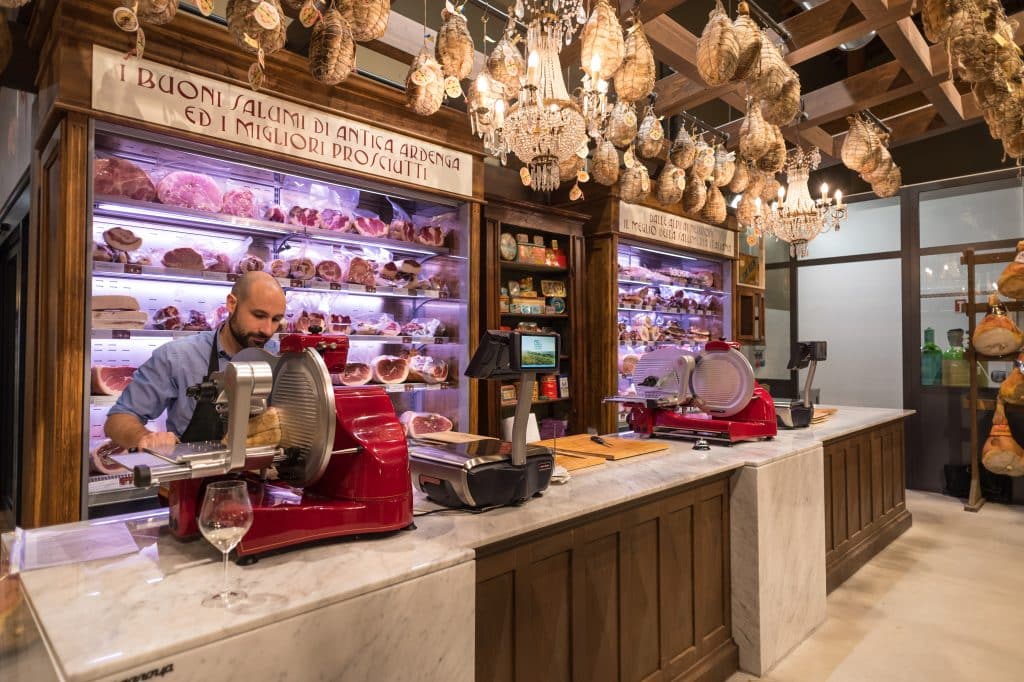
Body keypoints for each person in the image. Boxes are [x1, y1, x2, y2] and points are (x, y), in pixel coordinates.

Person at [105, 271, 287, 451]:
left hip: (263, 476)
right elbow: (119, 418)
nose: (268, 330)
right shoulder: (177, 356)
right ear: (232, 304)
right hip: (194, 478)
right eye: (259, 315)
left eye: (276, 319)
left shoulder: (282, 358)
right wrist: (145, 438)